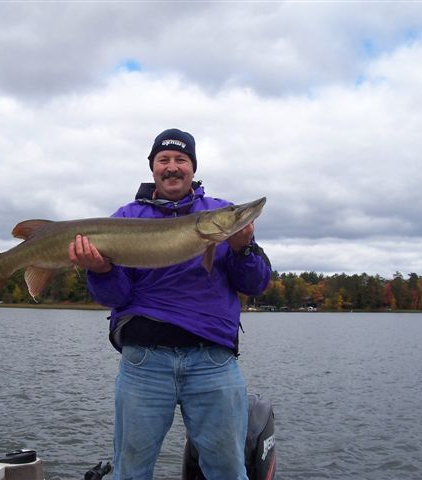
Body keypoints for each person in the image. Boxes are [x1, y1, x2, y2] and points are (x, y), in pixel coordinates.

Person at [68, 128, 272, 480]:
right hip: (144, 361)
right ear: (153, 168)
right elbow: (115, 298)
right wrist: (101, 270)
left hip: (213, 361)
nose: (172, 166)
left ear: (193, 168)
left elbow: (255, 284)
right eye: (164, 159)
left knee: (227, 471)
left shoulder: (221, 215)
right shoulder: (126, 217)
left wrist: (244, 249)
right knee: (130, 472)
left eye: (181, 159)